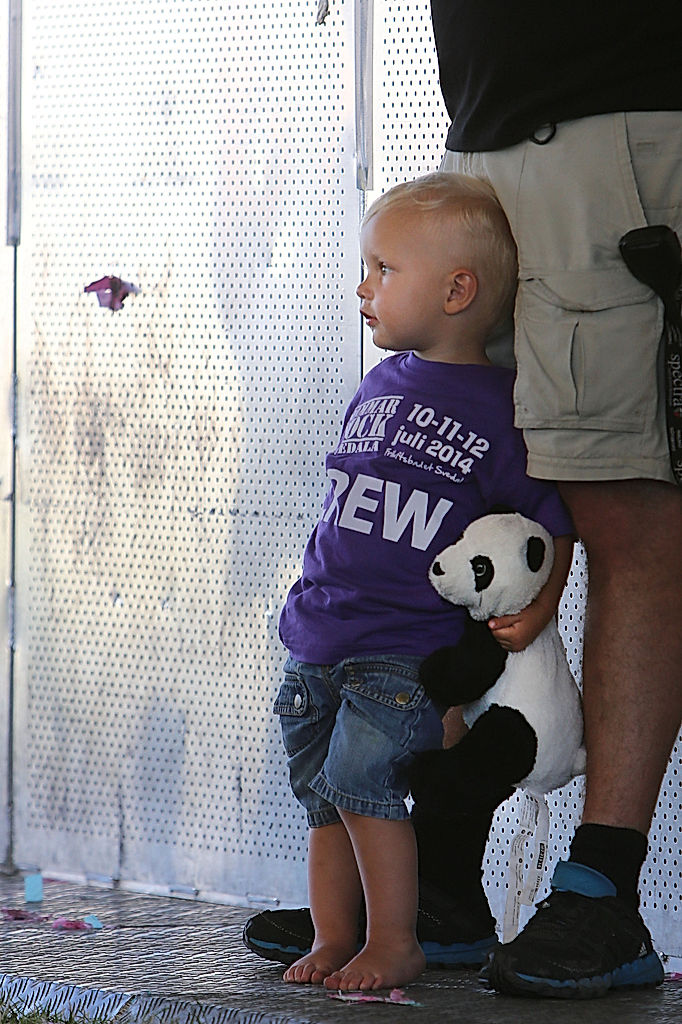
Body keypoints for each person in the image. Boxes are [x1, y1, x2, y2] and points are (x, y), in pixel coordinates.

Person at [246, 2, 682, 999]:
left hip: (611, 131)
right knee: (447, 488)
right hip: (484, 132)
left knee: (624, 504)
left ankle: (600, 887)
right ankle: (430, 890)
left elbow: (594, 529)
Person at [272, 173, 575, 992]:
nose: (363, 287)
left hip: (399, 647)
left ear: (456, 290)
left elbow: (549, 521)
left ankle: (395, 940)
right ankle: (337, 935)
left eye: (382, 270)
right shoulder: (378, 384)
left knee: (368, 789)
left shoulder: (498, 408)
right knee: (323, 795)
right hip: (319, 630)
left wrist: (543, 602)